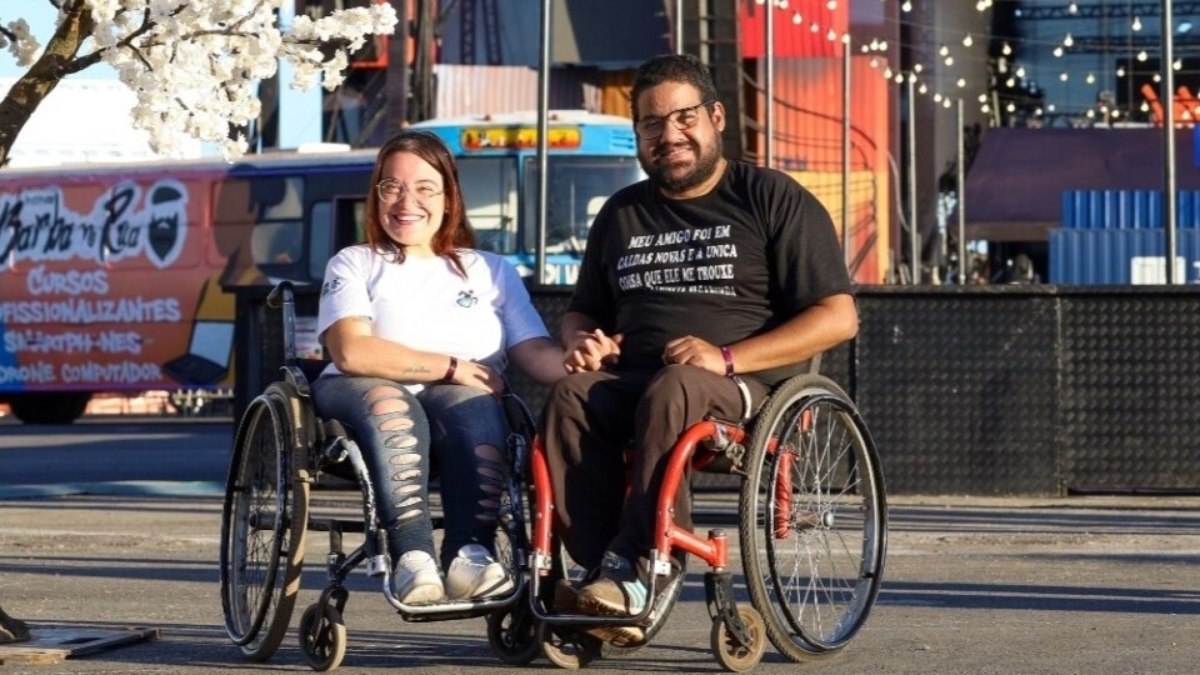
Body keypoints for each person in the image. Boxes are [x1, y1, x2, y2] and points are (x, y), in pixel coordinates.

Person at [541, 54, 859, 645]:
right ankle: (594, 580)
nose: (669, 135)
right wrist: (579, 339)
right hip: (636, 382)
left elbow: (838, 318)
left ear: (715, 117)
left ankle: (639, 570)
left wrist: (727, 357)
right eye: (651, 124)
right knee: (569, 395)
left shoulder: (770, 197)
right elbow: (584, 309)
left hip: (740, 386)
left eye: (683, 118)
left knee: (676, 386)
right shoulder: (621, 213)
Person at [313, 130, 566, 604]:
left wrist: (580, 362)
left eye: (425, 187)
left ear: (449, 198)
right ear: (376, 194)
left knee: (476, 403)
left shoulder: (490, 269)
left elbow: (535, 351)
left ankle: (471, 555)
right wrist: (449, 366)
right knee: (391, 400)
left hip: (458, 396)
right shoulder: (355, 262)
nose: (407, 201)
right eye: (392, 186)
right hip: (360, 393)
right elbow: (351, 352)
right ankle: (412, 558)